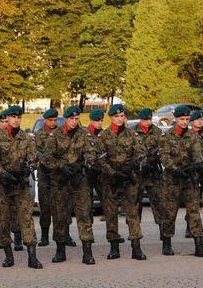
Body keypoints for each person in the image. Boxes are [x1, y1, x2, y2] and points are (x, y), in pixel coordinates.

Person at [0, 105, 42, 269]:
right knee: (3, 220)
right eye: (13, 117)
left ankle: (32, 256)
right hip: (2, 186)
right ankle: (8, 255)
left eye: (19, 117)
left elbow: (35, 158)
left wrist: (30, 167)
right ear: (8, 118)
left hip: (20, 184)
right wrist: (3, 173)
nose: (16, 120)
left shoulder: (26, 138)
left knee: (26, 219)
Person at [43, 105, 96, 264]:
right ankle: (60, 251)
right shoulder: (55, 135)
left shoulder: (84, 133)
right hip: (61, 182)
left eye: (77, 118)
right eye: (71, 119)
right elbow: (46, 157)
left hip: (80, 181)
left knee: (84, 215)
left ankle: (87, 252)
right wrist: (61, 166)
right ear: (65, 119)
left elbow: (91, 152)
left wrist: (83, 164)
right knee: (60, 216)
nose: (74, 122)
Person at [97, 104, 147, 260]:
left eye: (122, 116)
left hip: (128, 178)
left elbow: (141, 153)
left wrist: (132, 166)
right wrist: (112, 172)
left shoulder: (132, 134)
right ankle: (114, 247)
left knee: (132, 212)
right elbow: (99, 158)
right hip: (111, 179)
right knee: (111, 214)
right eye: (116, 116)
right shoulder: (104, 136)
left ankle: (136, 247)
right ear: (111, 118)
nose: (119, 119)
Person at [159, 105, 203, 257]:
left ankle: (199, 244)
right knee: (169, 212)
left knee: (194, 211)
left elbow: (197, 153)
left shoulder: (193, 136)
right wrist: (175, 169)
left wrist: (198, 163)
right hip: (172, 179)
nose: (185, 122)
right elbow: (164, 157)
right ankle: (166, 243)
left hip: (189, 179)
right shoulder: (167, 136)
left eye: (187, 119)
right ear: (176, 119)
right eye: (182, 119)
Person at [132, 108, 167, 241]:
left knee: (159, 203)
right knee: (136, 205)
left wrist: (157, 159)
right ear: (140, 119)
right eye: (145, 119)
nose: (148, 122)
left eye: (149, 119)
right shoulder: (132, 132)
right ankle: (135, 234)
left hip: (153, 173)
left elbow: (164, 149)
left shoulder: (157, 131)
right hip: (138, 174)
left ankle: (164, 233)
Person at [34, 108, 59, 246]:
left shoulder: (60, 133)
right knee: (45, 207)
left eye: (55, 120)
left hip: (59, 175)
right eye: (50, 120)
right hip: (45, 175)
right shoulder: (39, 134)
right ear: (45, 120)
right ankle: (44, 236)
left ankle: (63, 235)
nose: (53, 123)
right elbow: (38, 153)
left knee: (61, 208)